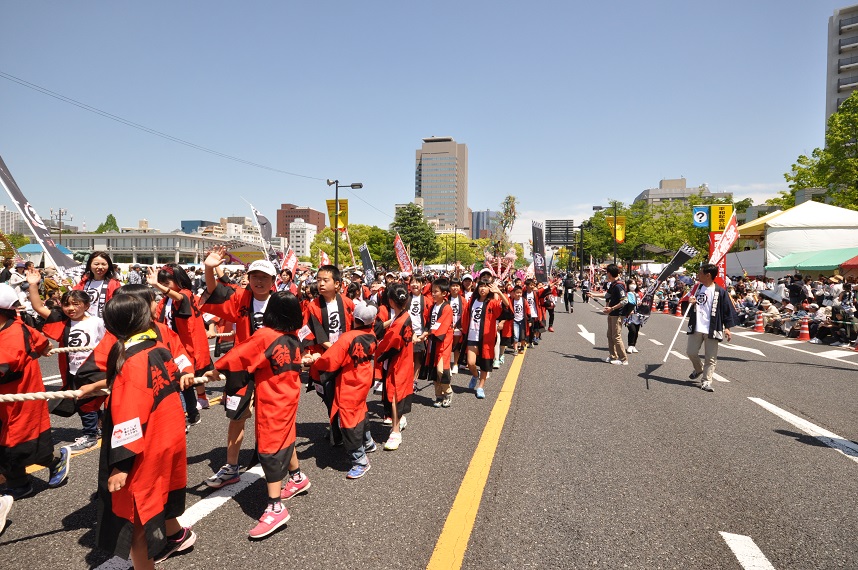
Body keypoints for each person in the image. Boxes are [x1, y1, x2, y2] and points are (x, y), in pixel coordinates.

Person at [95, 294, 195, 568]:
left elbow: (129, 416)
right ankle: (175, 535)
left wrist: (122, 464)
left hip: (144, 446)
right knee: (159, 495)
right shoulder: (157, 347)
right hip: (168, 435)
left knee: (137, 516)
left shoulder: (132, 361)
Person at [208, 291, 309, 538]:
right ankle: (297, 477)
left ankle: (275, 507)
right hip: (289, 395)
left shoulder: (266, 335)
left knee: (271, 447)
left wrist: (215, 369)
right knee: (285, 436)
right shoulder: (292, 337)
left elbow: (240, 355)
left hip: (273, 399)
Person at [200, 246, 279, 489]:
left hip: (271, 367)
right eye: (255, 276)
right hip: (242, 366)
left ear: (273, 281)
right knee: (236, 415)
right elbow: (215, 293)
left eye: (264, 277)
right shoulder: (240, 297)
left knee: (270, 417)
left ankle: (272, 459)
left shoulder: (281, 303)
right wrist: (209, 268)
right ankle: (231, 467)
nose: (258, 281)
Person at [0, 284, 71, 499]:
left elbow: (4, 366)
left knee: (20, 446)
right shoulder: (19, 326)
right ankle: (19, 484)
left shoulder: (13, 333)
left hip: (20, 401)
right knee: (10, 445)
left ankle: (55, 463)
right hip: (9, 401)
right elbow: (42, 345)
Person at [25, 270, 107, 453]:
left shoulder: (97, 322)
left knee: (87, 402)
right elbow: (38, 307)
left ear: (86, 305)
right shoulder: (63, 321)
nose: (71, 308)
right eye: (66, 305)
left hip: (94, 368)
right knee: (82, 402)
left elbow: (108, 343)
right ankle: (101, 422)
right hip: (72, 369)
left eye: (76, 304)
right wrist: (33, 284)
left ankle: (90, 435)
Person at [309, 303, 379, 478]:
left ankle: (360, 459)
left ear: (354, 318)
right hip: (364, 376)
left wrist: (315, 362)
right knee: (360, 409)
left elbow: (330, 360)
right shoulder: (371, 334)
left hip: (350, 381)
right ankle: (368, 441)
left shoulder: (348, 337)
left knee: (348, 418)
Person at [148, 263, 213, 428]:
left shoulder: (186, 294)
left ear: (179, 279)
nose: (164, 285)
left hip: (186, 346)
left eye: (167, 281)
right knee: (182, 383)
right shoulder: (164, 300)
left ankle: (184, 416)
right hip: (171, 345)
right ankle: (192, 413)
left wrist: (157, 285)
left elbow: (181, 298)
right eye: (162, 282)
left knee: (181, 380)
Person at [685, 263, 739, 393]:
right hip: (697, 326)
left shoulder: (720, 291)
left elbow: (727, 310)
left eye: (700, 273)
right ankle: (699, 369)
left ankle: (706, 381)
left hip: (713, 327)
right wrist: (690, 302)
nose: (698, 275)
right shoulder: (697, 288)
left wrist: (727, 328)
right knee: (691, 352)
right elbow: (688, 302)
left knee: (711, 357)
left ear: (708, 275)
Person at [375, 283, 413, 450]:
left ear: (391, 301)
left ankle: (396, 431)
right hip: (404, 359)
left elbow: (388, 346)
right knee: (398, 394)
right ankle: (399, 421)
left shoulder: (397, 323)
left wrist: (377, 348)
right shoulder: (405, 316)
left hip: (397, 363)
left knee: (394, 396)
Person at [461, 278, 512, 399]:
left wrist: (498, 292)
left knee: (485, 363)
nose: (483, 288)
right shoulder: (472, 301)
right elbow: (465, 316)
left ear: (489, 289)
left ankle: (480, 387)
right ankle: (475, 375)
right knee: (470, 362)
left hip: (487, 337)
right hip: (472, 335)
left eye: (485, 286)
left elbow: (507, 306)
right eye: (480, 286)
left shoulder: (492, 303)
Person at [419, 277, 454, 408]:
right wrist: (426, 332)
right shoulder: (433, 306)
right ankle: (438, 395)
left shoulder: (447, 308)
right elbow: (429, 322)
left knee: (441, 370)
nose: (433, 294)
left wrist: (427, 334)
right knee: (433, 370)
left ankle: (448, 391)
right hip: (433, 341)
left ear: (444, 294)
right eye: (432, 291)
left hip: (442, 341)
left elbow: (441, 325)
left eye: (436, 291)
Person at [73, 251, 122, 319]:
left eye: (103, 264)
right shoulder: (84, 282)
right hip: (84, 321)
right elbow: (74, 297)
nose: (100, 267)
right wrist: (67, 287)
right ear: (90, 265)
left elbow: (117, 304)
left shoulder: (114, 284)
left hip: (105, 322)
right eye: (96, 264)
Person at [601, 264, 628, 365]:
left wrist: (611, 308)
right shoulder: (613, 284)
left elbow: (624, 301)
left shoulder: (619, 285)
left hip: (617, 313)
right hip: (612, 313)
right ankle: (613, 356)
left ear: (609, 273)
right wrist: (592, 294)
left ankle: (623, 359)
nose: (606, 275)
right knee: (610, 335)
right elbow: (607, 295)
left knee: (616, 336)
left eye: (607, 273)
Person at [624, 279, 640, 353]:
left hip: (637, 316)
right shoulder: (626, 294)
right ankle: (630, 345)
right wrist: (628, 311)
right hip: (629, 316)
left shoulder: (638, 294)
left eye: (634, 283)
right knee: (632, 330)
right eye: (631, 283)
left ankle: (633, 345)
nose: (633, 285)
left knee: (636, 331)